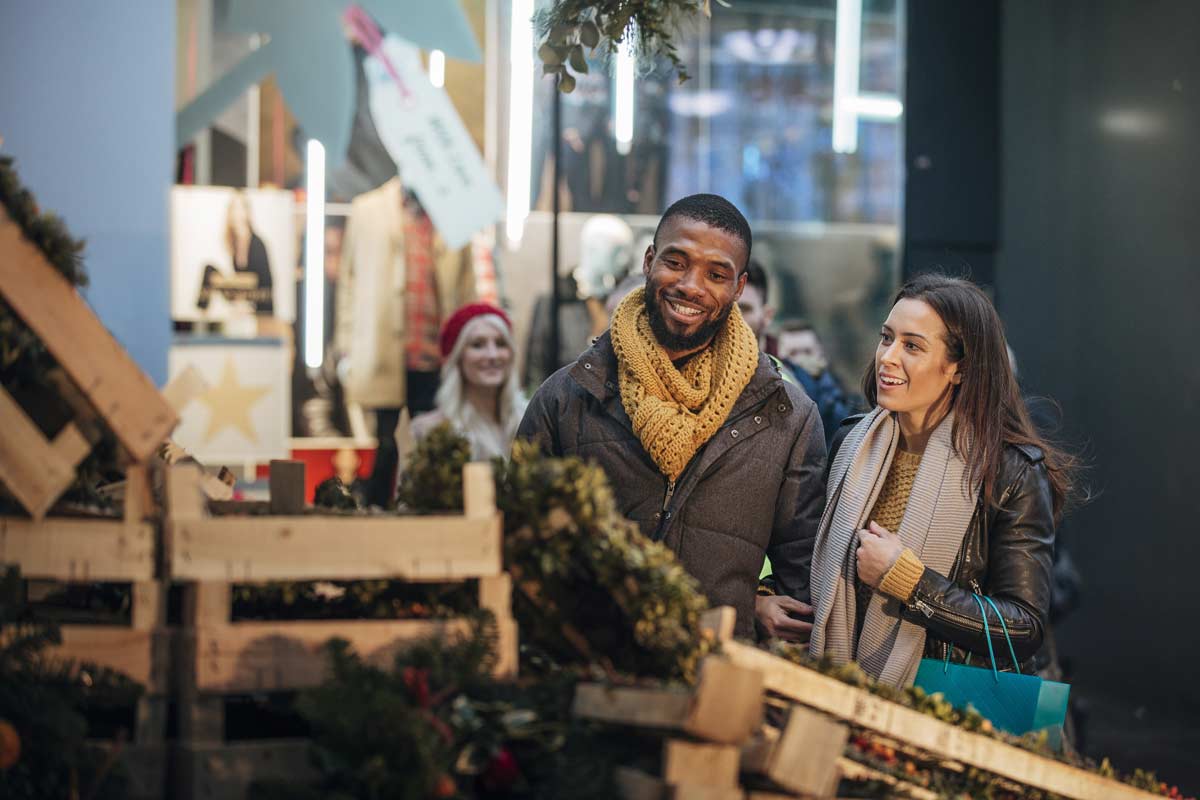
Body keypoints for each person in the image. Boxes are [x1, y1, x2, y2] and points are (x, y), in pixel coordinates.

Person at [517, 194, 827, 641]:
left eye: (716, 274)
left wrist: (753, 603)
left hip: (720, 683)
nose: (691, 286)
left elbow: (801, 581)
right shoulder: (568, 397)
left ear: (739, 288)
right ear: (648, 261)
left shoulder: (787, 417)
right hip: (588, 676)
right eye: (676, 262)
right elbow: (521, 544)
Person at [809, 274, 1074, 686]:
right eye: (886, 338)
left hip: (939, 703)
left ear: (959, 369)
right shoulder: (852, 442)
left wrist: (911, 582)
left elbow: (1023, 627)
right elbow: (812, 558)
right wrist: (771, 599)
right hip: (837, 684)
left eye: (912, 346)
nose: (888, 357)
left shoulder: (1010, 470)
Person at [408, 303, 527, 461]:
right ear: (457, 359)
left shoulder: (533, 420)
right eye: (477, 345)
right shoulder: (428, 431)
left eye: (500, 344)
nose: (492, 355)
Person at [777, 321, 859, 447]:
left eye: (807, 352)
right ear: (780, 357)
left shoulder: (846, 398)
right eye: (793, 353)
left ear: (820, 352)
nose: (801, 359)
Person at [197, 190, 274, 315]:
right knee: (209, 269)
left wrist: (248, 303)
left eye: (240, 208)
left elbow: (264, 283)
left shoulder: (257, 244)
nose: (236, 213)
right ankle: (201, 313)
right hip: (241, 292)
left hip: (258, 300)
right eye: (233, 208)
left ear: (247, 212)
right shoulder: (234, 242)